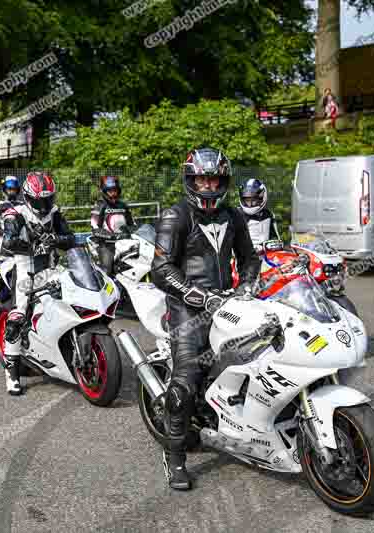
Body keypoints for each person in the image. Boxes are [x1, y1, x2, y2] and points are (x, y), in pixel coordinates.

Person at [151, 147, 260, 490]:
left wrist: (248, 285)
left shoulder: (235, 216)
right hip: (189, 309)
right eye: (202, 178)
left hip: (229, 302)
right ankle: (174, 456)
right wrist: (191, 292)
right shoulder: (176, 215)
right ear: (190, 179)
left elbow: (250, 258)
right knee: (184, 384)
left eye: (214, 179)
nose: (209, 185)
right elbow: (160, 268)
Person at [0, 171, 75, 395]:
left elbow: (70, 237)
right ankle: (12, 372)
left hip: (51, 268)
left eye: (48, 199)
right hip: (25, 269)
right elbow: (9, 241)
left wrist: (57, 239)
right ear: (28, 196)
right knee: (18, 315)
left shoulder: (54, 212)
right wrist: (31, 244)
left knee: (73, 297)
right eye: (39, 200)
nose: (44, 204)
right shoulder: (15, 213)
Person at [0, 176, 22, 310]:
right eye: (9, 189)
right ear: (4, 190)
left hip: (21, 239)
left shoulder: (23, 205)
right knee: (0, 264)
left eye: (14, 189)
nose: (12, 192)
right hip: (3, 238)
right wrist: (4, 233)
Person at [90, 175, 134, 276]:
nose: (113, 193)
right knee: (107, 269)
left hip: (125, 243)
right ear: (104, 192)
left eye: (115, 190)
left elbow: (132, 224)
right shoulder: (100, 206)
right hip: (107, 244)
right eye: (110, 191)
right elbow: (95, 229)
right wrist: (112, 236)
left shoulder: (123, 206)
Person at [237, 178, 281, 253]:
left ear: (262, 197)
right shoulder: (238, 216)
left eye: (253, 200)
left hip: (267, 256)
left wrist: (275, 244)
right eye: (247, 200)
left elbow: (275, 238)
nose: (250, 204)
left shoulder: (268, 214)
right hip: (246, 259)